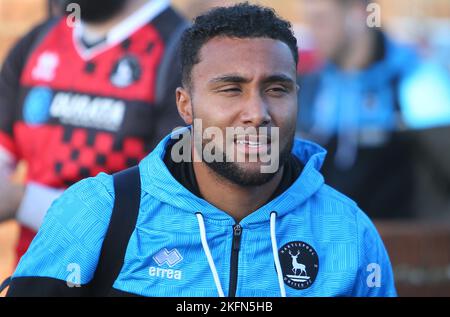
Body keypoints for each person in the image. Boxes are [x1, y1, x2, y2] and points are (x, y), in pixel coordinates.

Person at [7, 3, 396, 297]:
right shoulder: (95, 211)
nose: (257, 114)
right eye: (230, 89)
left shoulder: (350, 232)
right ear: (185, 105)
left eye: (276, 89)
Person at [0, 0, 187, 262]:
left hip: (122, 280)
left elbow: (163, 212)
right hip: (33, 275)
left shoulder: (183, 55)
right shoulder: (38, 41)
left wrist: (23, 202)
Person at [296, 0, 450, 219]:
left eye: (321, 20)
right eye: (310, 21)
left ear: (358, 15)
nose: (314, 33)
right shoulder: (313, 87)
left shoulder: (417, 80)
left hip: (407, 245)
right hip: (333, 244)